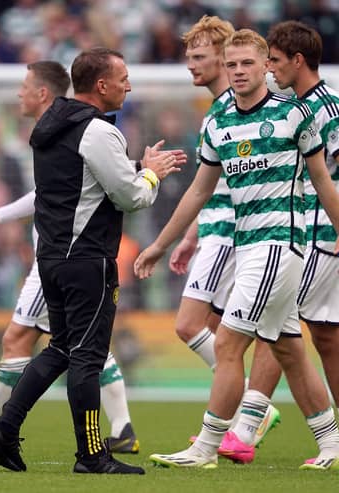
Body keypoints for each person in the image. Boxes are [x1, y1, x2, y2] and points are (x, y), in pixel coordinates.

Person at [135, 29, 339, 470]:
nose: (239, 71)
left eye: (248, 63)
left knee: (227, 341)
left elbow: (323, 182)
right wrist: (158, 244)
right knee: (288, 349)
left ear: (266, 65)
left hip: (281, 246)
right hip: (245, 246)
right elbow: (197, 192)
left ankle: (206, 447)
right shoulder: (217, 121)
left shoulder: (296, 114)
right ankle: (332, 444)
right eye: (232, 65)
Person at [0, 47, 186, 475]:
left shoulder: (51, 125)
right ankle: (92, 455)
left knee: (60, 350)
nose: (129, 85)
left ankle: (3, 429)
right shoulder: (98, 131)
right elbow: (131, 197)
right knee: (87, 357)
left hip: (52, 257)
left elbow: (82, 181)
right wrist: (150, 174)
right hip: (88, 259)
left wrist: (134, 167)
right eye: (124, 77)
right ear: (102, 85)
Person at [0, 60, 143, 455]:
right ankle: (118, 427)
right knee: (81, 343)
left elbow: (116, 190)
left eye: (24, 86)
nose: (19, 94)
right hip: (61, 254)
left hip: (62, 253)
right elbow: (50, 194)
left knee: (40, 342)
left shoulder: (68, 130)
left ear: (43, 93)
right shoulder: (57, 131)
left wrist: (146, 175)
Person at [217, 19, 339, 466]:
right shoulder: (293, 106)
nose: (269, 69)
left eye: (274, 60)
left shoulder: (326, 109)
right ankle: (330, 438)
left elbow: (331, 179)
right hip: (309, 232)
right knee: (324, 337)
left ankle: (245, 425)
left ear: (297, 61)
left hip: (319, 235)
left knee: (273, 323)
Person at [170, 15, 281, 463]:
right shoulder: (220, 113)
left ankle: (252, 409)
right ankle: (251, 410)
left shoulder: (261, 106)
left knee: (200, 326)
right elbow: (218, 181)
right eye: (189, 57)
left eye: (199, 57)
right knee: (264, 331)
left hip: (245, 233)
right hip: (219, 227)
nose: (192, 66)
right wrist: (190, 234)